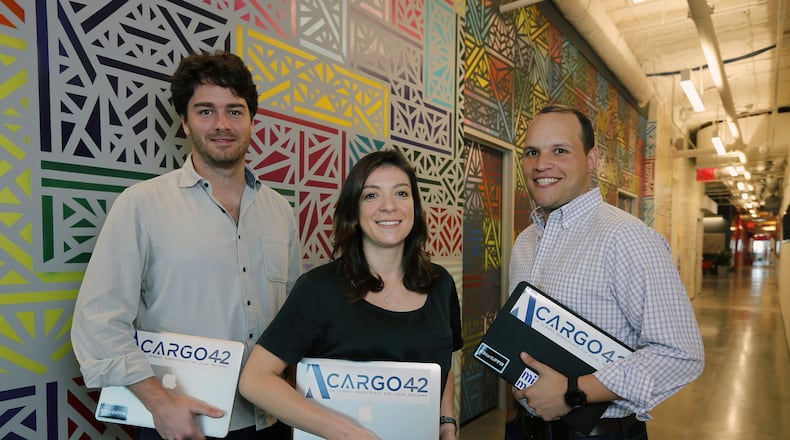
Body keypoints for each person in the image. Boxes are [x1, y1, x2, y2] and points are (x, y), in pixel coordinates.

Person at [71, 51, 302, 440]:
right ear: (185, 121)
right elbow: (98, 323)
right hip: (183, 424)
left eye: (234, 111)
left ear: (251, 120)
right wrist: (161, 403)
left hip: (271, 421)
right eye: (206, 111)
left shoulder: (281, 211)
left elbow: (295, 322)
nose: (222, 125)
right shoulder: (141, 205)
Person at [505, 104, 704, 440]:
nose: (541, 165)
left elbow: (681, 355)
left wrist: (574, 391)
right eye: (532, 152)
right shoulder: (525, 241)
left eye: (561, 151)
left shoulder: (627, 238)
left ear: (592, 160)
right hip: (527, 428)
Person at [238, 149, 463, 440]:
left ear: (415, 208)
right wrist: (344, 433)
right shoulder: (318, 289)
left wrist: (447, 421)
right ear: (353, 212)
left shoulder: (440, 284)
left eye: (401, 193)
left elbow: (444, 362)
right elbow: (255, 380)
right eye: (371, 195)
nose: (388, 206)